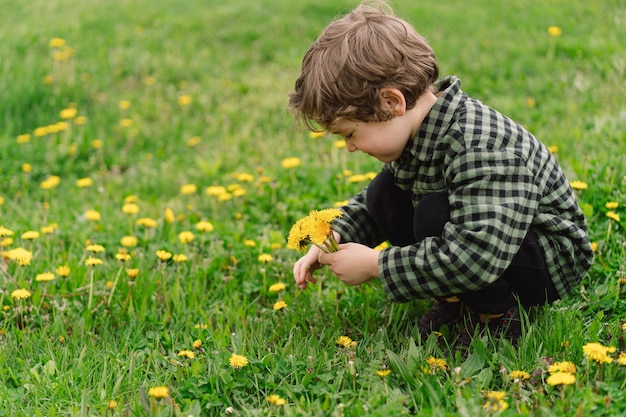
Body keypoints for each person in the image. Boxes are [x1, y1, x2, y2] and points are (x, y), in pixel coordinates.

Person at [288, 0, 593, 344]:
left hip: (545, 259)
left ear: (392, 103)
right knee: (385, 191)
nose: (350, 147)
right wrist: (337, 236)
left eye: (350, 133)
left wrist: (378, 265)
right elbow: (377, 208)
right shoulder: (418, 133)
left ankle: (498, 318)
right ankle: (456, 302)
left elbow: (477, 254)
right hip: (487, 243)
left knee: (434, 213)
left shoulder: (478, 145)